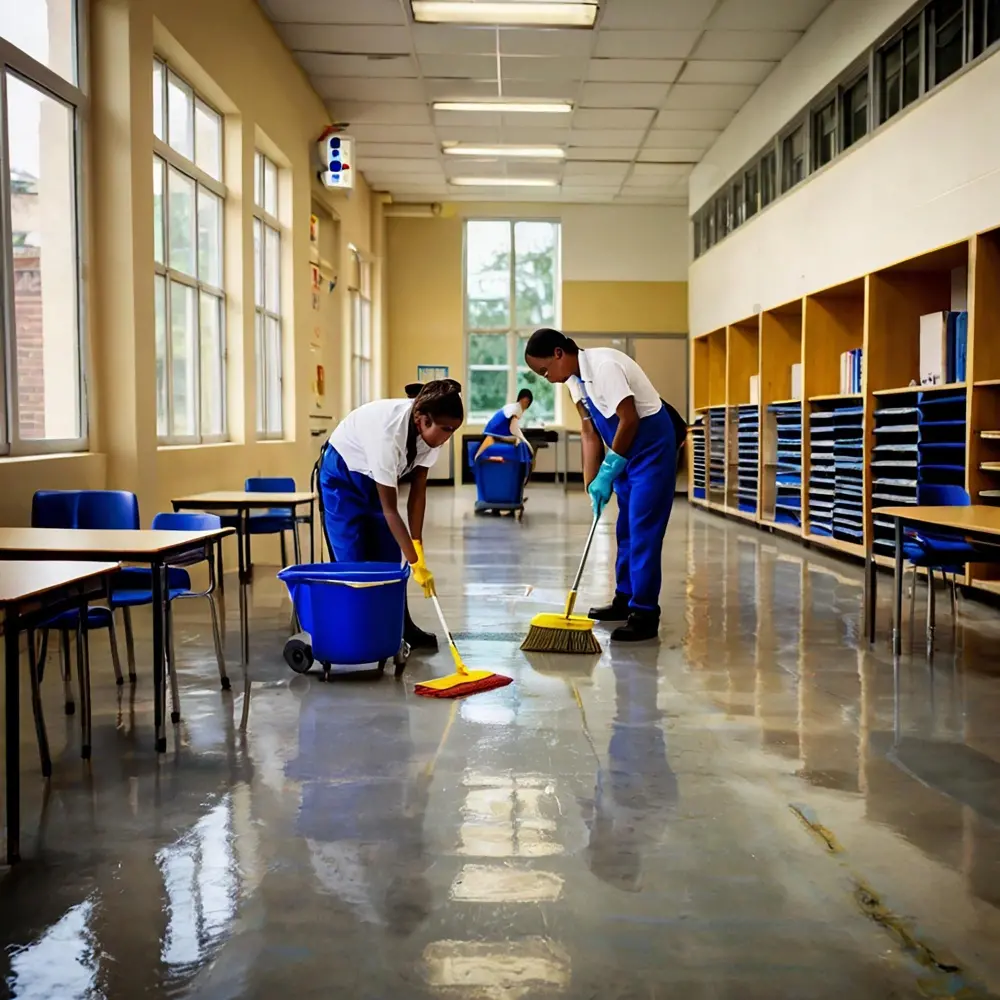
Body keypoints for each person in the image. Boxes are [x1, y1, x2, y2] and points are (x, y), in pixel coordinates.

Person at [524, 329, 686, 642]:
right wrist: (592, 484)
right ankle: (624, 599)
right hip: (623, 451)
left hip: (651, 449)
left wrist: (609, 469)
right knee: (624, 528)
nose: (546, 378)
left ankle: (645, 612)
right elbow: (589, 431)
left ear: (559, 353)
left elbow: (629, 420)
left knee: (643, 530)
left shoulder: (604, 366)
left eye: (544, 370)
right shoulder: (574, 380)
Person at [319, 379, 464, 650]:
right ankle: (359, 633)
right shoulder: (388, 434)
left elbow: (418, 491)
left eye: (454, 430)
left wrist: (416, 548)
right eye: (445, 429)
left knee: (389, 558)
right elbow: (390, 509)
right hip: (343, 477)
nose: (448, 436)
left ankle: (400, 626)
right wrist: (415, 561)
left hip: (376, 478)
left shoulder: (433, 434)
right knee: (355, 559)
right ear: (421, 420)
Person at [475, 389, 534, 462]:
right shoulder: (517, 409)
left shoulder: (512, 406)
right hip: (495, 434)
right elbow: (513, 429)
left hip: (490, 432)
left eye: (527, 402)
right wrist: (525, 441)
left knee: (518, 440)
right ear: (520, 400)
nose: (524, 404)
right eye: (524, 401)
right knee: (519, 441)